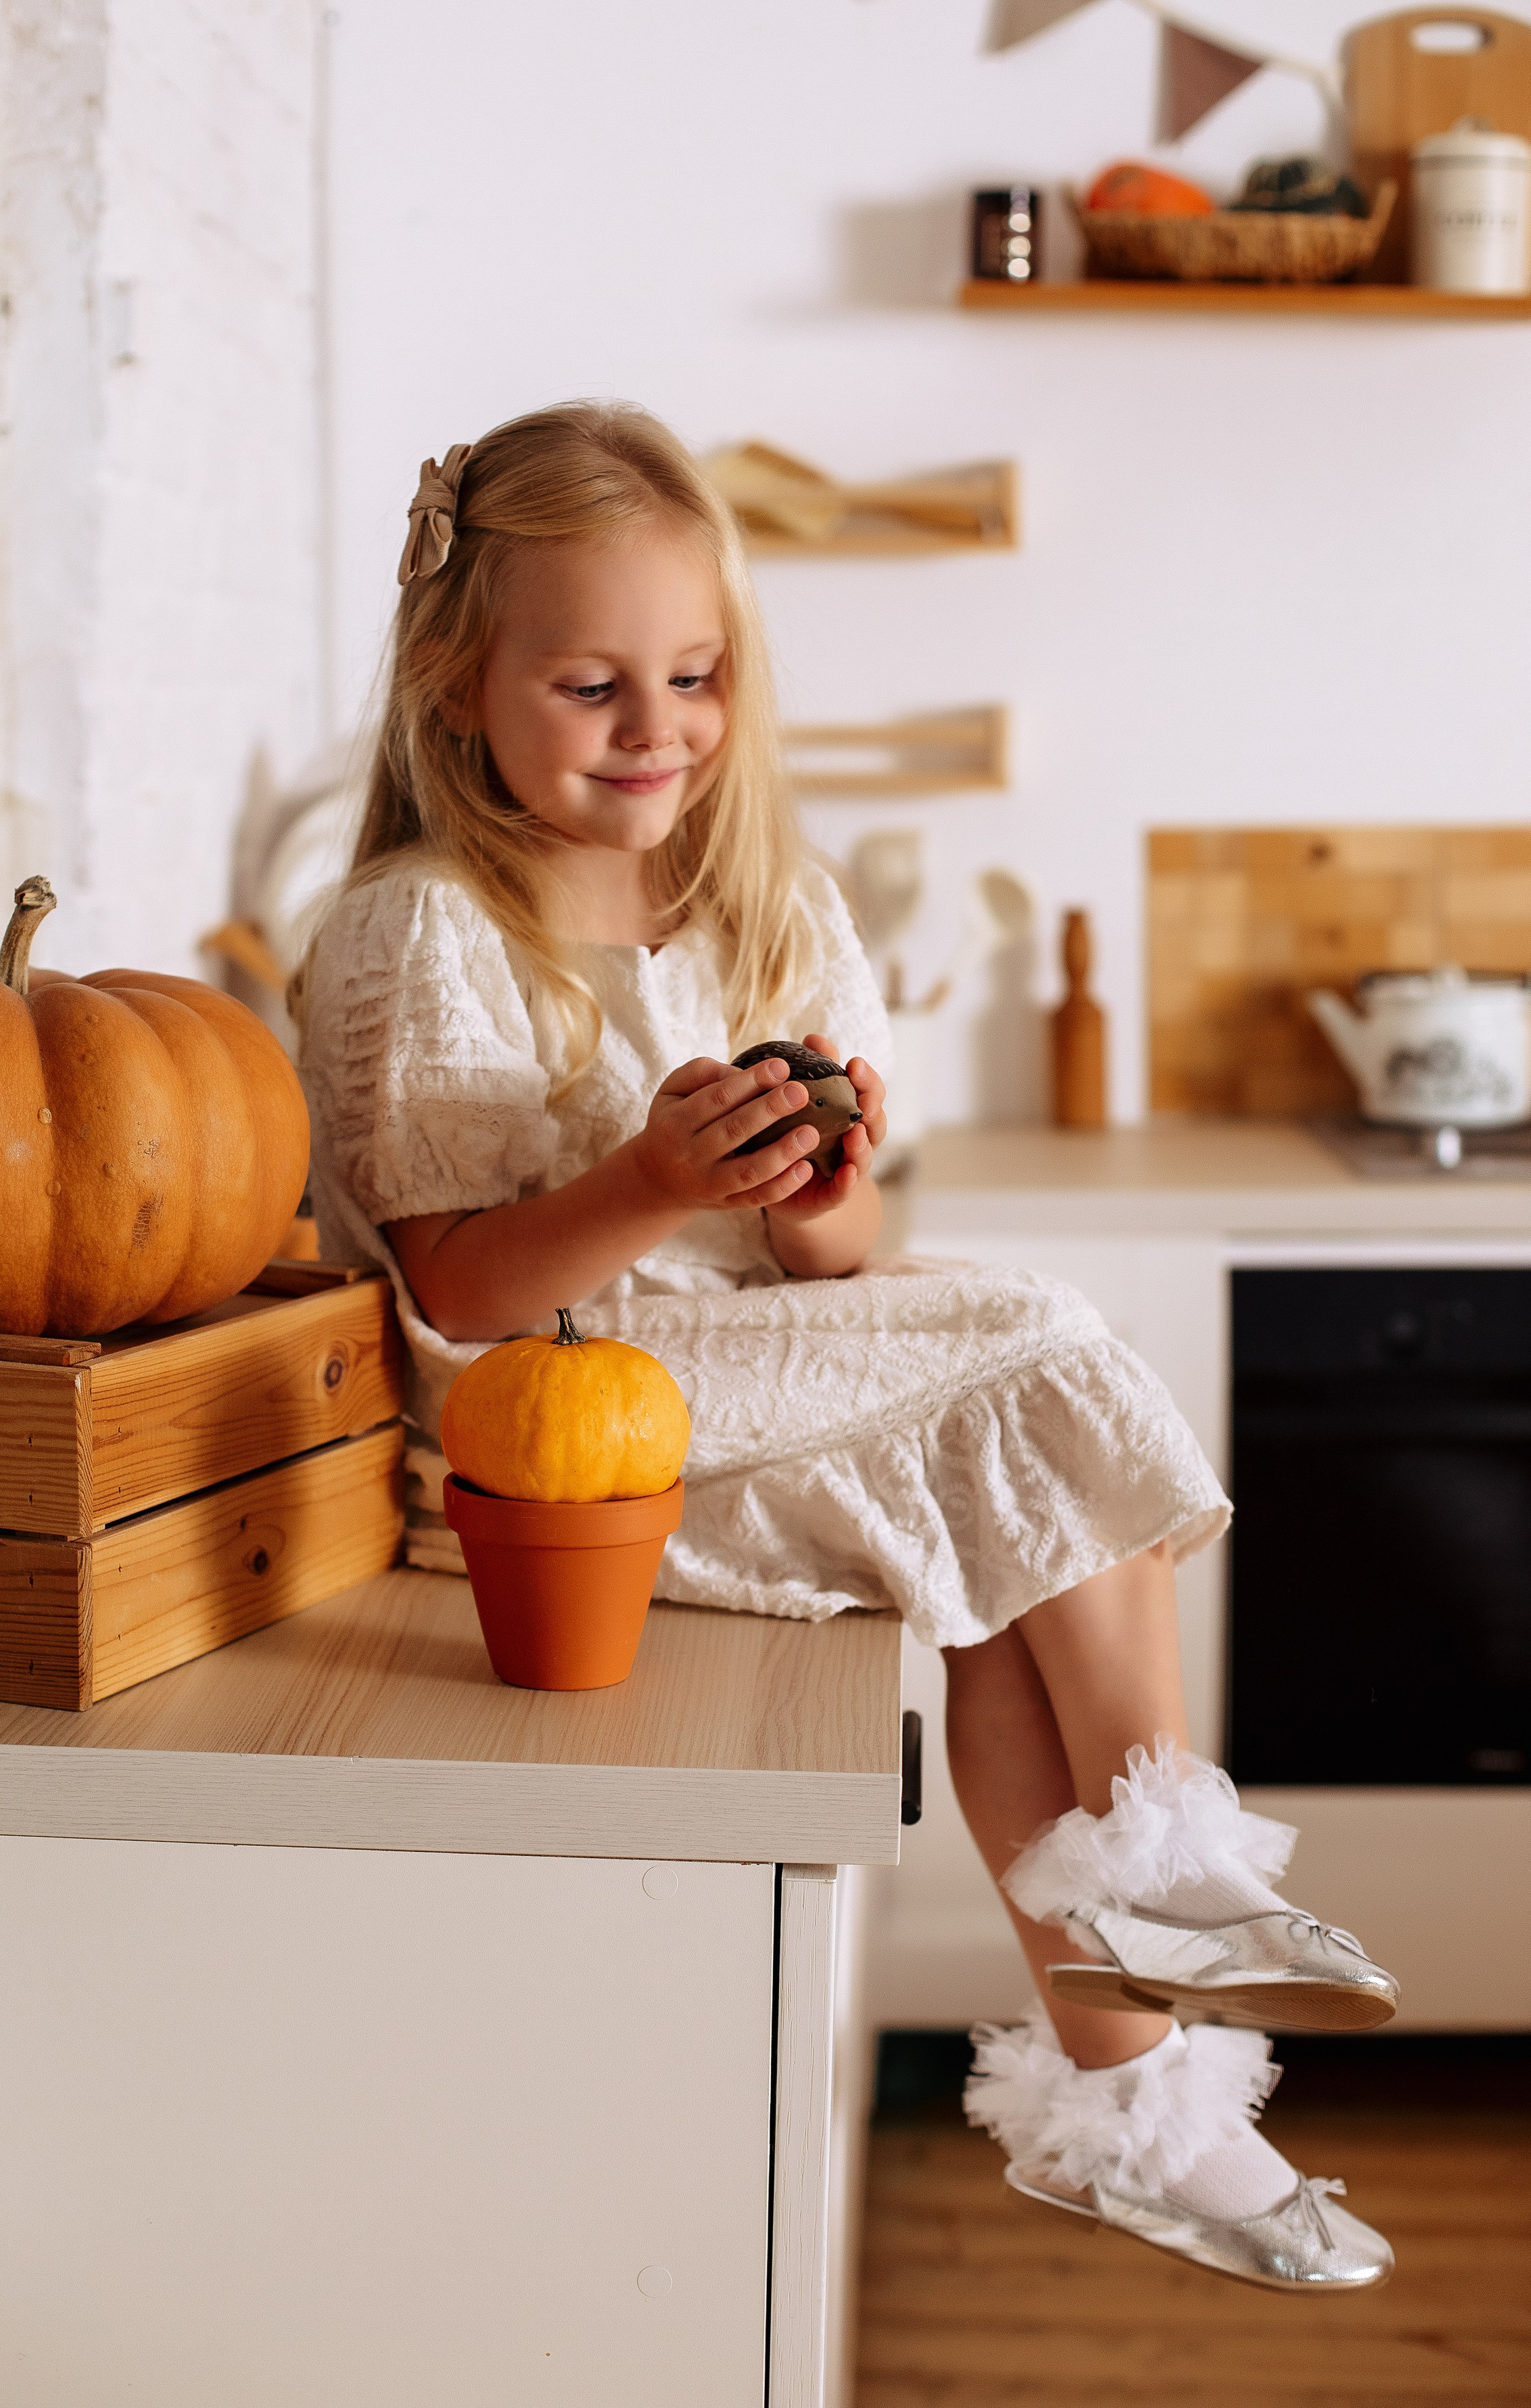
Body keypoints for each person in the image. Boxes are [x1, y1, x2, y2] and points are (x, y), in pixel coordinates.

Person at [298, 402, 1397, 2292]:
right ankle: (1165, 1874)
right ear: (454, 684)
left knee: (1008, 1545)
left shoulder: (768, 908)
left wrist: (816, 1190)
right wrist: (653, 1174)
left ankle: (1142, 2115)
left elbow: (834, 1271)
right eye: (593, 684)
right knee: (1042, 1341)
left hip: (755, 1388)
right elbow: (463, 1294)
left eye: (698, 674)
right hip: (565, 1444)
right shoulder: (422, 932)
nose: (661, 729)